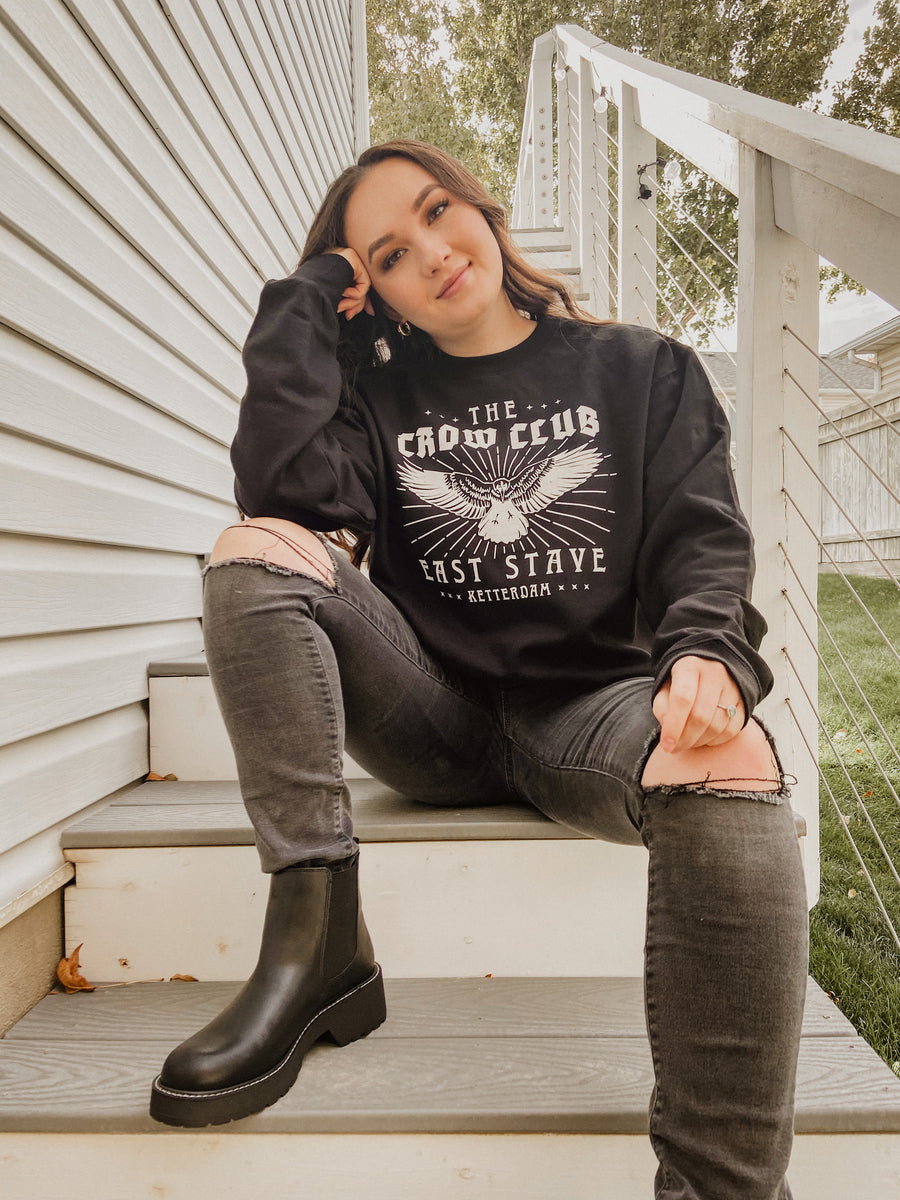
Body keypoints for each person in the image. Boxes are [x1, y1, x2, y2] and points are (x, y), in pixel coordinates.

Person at [149, 139, 808, 1198]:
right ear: (380, 293)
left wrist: (706, 647)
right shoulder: (375, 398)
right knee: (253, 552)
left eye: (437, 212)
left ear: (481, 208)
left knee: (732, 764)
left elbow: (702, 538)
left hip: (592, 708)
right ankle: (317, 937)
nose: (435, 253)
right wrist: (308, 298)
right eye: (390, 254)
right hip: (433, 711)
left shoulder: (642, 368)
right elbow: (284, 495)